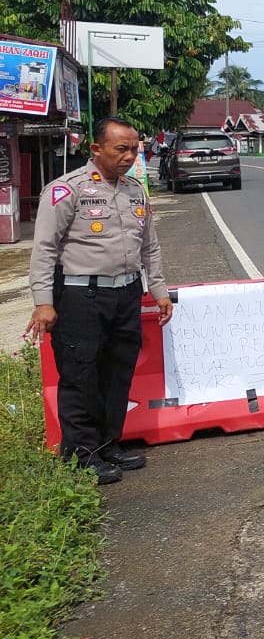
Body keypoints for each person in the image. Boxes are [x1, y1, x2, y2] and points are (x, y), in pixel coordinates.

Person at [26, 117, 173, 484]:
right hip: (80, 296)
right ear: (96, 149)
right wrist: (43, 301)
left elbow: (149, 247)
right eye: (120, 149)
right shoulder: (66, 190)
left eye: (134, 149)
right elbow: (44, 249)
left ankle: (109, 444)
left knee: (117, 373)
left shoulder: (135, 191)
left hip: (125, 295)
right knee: (80, 374)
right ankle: (80, 453)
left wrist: (159, 290)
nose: (128, 156)